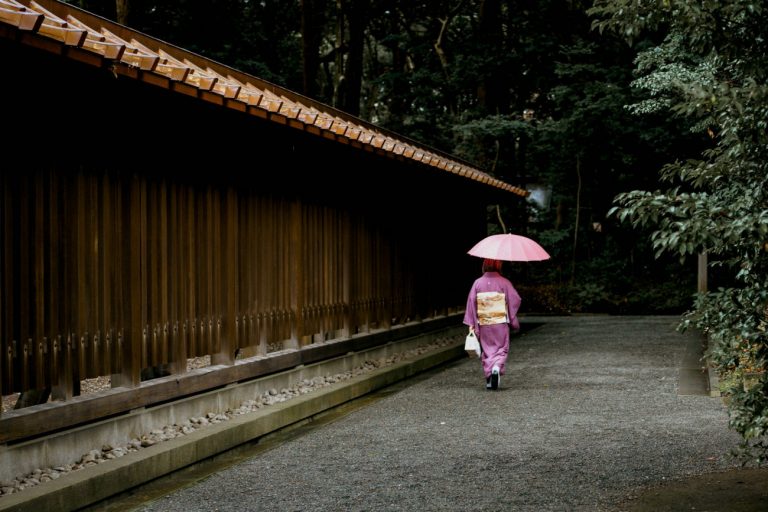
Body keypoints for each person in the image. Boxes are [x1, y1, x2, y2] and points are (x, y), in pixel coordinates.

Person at [463, 258, 521, 390]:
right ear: (499, 266)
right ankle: (496, 368)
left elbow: (471, 302)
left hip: (484, 323)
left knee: (488, 350)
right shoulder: (504, 282)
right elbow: (515, 299)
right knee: (501, 349)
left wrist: (472, 323)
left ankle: (489, 379)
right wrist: (511, 316)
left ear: (484, 265)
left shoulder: (477, 283)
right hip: (500, 322)